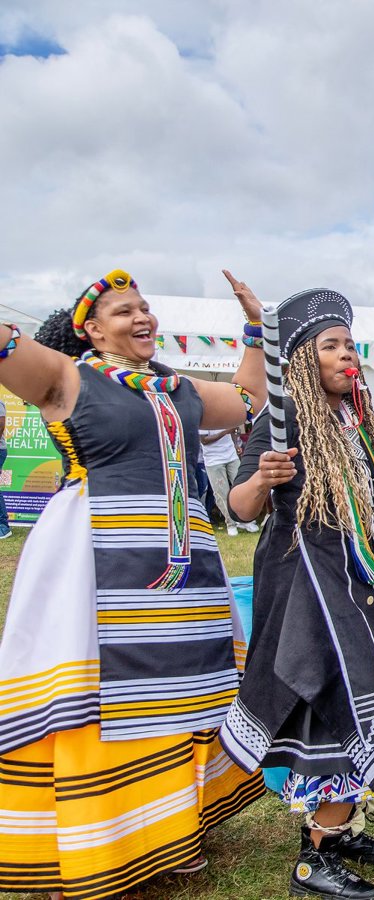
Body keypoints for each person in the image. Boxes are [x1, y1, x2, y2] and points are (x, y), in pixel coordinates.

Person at [0, 269, 267, 899]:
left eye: (145, 308)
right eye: (124, 311)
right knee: (106, 699)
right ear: (90, 329)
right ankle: (107, 841)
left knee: (186, 690)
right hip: (96, 557)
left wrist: (255, 327)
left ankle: (175, 831)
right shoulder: (67, 378)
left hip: (183, 561)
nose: (141, 317)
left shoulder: (178, 389)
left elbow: (250, 400)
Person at [218, 288, 374, 900]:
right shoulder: (280, 424)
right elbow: (237, 505)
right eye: (330, 346)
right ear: (302, 359)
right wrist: (262, 477)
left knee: (370, 705)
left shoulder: (353, 422)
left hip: (356, 579)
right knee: (333, 705)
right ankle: (313, 859)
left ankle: (336, 833)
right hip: (309, 588)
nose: (347, 356)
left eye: (349, 345)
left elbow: (365, 505)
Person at [200, 426, 258, 536]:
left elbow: (234, 430)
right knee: (222, 493)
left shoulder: (226, 414)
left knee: (242, 486)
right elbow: (204, 441)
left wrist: (236, 444)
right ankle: (230, 524)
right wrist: (226, 431)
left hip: (231, 455)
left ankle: (244, 520)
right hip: (213, 460)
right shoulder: (205, 419)